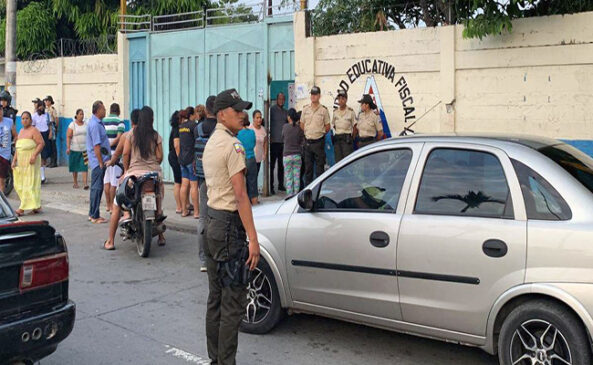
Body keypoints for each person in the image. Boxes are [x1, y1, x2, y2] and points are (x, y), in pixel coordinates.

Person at [203, 88, 260, 365]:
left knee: (215, 298)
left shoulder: (213, 141)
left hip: (212, 224)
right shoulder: (233, 146)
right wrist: (253, 239)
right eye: (237, 111)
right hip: (229, 229)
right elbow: (241, 196)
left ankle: (215, 359)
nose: (243, 115)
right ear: (223, 114)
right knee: (232, 303)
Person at [120, 106, 166, 247]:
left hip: (135, 172)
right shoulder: (155, 135)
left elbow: (126, 154)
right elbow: (160, 156)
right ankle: (158, 216)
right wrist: (153, 163)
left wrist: (126, 170)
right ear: (152, 119)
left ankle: (127, 213)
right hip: (153, 172)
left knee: (123, 188)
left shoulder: (131, 134)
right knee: (157, 191)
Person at [103, 109, 140, 251]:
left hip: (131, 174)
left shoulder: (127, 135)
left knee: (117, 202)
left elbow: (121, 153)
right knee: (157, 196)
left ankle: (111, 241)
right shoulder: (151, 135)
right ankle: (161, 236)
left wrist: (124, 170)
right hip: (149, 174)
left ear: (131, 122)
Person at [195, 95, 217, 272]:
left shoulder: (199, 128)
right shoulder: (220, 129)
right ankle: (215, 257)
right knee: (217, 217)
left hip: (202, 178)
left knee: (203, 218)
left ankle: (203, 260)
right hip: (217, 178)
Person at [12, 111, 44, 216]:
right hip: (21, 162)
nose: (24, 120)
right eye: (23, 118)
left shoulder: (34, 131)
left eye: (27, 118)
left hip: (31, 161)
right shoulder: (20, 131)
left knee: (29, 184)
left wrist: (34, 155)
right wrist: (14, 160)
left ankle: (22, 207)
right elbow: (18, 148)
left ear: (30, 120)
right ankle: (36, 205)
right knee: (20, 183)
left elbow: (41, 143)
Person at [86, 100, 110, 224]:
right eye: (103, 108)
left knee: (96, 188)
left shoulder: (97, 123)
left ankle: (92, 213)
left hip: (98, 160)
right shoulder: (95, 125)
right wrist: (101, 162)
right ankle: (95, 215)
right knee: (97, 188)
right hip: (98, 162)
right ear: (98, 110)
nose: (105, 110)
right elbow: (97, 146)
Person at [301, 86, 330, 185]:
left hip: (318, 143)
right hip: (308, 143)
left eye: (315, 94)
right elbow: (302, 124)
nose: (313, 96)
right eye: (312, 94)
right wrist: (309, 133)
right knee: (308, 169)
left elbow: (327, 126)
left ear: (319, 96)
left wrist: (319, 133)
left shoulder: (323, 110)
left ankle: (319, 190)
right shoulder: (305, 109)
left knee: (319, 170)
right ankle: (307, 192)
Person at [102, 103, 125, 214]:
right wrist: (111, 144)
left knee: (106, 180)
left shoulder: (103, 121)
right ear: (118, 111)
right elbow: (120, 137)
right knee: (114, 182)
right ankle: (112, 206)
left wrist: (106, 145)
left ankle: (107, 205)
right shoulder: (120, 122)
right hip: (115, 155)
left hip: (104, 155)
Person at [178, 107, 199, 218]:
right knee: (194, 186)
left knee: (184, 185)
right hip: (191, 159)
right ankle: (196, 212)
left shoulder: (181, 127)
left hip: (182, 159)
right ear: (192, 114)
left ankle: (184, 210)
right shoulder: (193, 126)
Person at [237, 112, 258, 205]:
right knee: (253, 183)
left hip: (242, 159)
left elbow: (237, 147)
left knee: (242, 185)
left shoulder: (238, 134)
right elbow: (253, 144)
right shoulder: (252, 132)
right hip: (252, 159)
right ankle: (255, 205)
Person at [282, 108, 304, 196]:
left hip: (287, 155)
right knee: (297, 177)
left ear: (289, 117)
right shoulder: (299, 128)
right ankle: (296, 195)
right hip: (297, 156)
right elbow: (301, 140)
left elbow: (283, 138)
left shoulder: (285, 127)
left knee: (288, 177)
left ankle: (289, 195)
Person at [269, 92, 287, 194]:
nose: (281, 100)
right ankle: (270, 187)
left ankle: (281, 185)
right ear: (276, 100)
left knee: (281, 165)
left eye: (283, 99)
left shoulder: (286, 112)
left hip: (283, 142)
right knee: (272, 166)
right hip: (273, 142)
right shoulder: (272, 110)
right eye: (280, 99)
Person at [332, 89, 356, 162]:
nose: (340, 100)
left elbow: (355, 126)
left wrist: (352, 139)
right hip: (337, 140)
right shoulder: (335, 112)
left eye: (343, 98)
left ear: (346, 100)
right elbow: (333, 125)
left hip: (347, 141)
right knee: (338, 162)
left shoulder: (350, 111)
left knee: (347, 162)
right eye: (339, 99)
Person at [66, 109, 88, 189]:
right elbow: (68, 137)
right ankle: (75, 182)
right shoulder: (72, 125)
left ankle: (85, 183)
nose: (82, 116)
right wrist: (68, 148)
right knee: (75, 167)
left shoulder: (86, 124)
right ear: (77, 115)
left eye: (83, 114)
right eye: (80, 114)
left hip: (84, 149)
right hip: (74, 149)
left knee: (84, 166)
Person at [31, 99, 50, 184]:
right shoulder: (34, 116)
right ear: (37, 107)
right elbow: (33, 127)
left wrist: (50, 133)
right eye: (40, 107)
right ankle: (41, 176)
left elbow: (49, 125)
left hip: (45, 135)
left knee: (44, 156)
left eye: (43, 107)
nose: (41, 109)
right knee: (39, 155)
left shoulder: (47, 115)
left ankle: (43, 173)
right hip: (38, 135)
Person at [168, 111, 183, 214]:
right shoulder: (177, 130)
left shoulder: (174, 129)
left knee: (180, 182)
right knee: (178, 182)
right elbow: (177, 145)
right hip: (175, 157)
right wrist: (180, 159)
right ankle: (179, 206)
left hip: (172, 156)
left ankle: (182, 204)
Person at [249, 109, 267, 178]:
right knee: (251, 178)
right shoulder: (250, 128)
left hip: (259, 158)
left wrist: (264, 154)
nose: (259, 119)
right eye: (257, 118)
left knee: (255, 177)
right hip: (251, 159)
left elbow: (265, 142)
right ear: (253, 119)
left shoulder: (263, 129)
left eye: (260, 117)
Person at [43, 96, 59, 168]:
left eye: (47, 101)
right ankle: (51, 161)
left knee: (53, 145)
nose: (46, 102)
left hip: (52, 126)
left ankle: (54, 161)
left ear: (50, 101)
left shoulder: (52, 109)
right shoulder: (45, 109)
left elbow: (56, 118)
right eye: (45, 101)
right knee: (49, 145)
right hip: (47, 127)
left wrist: (55, 128)